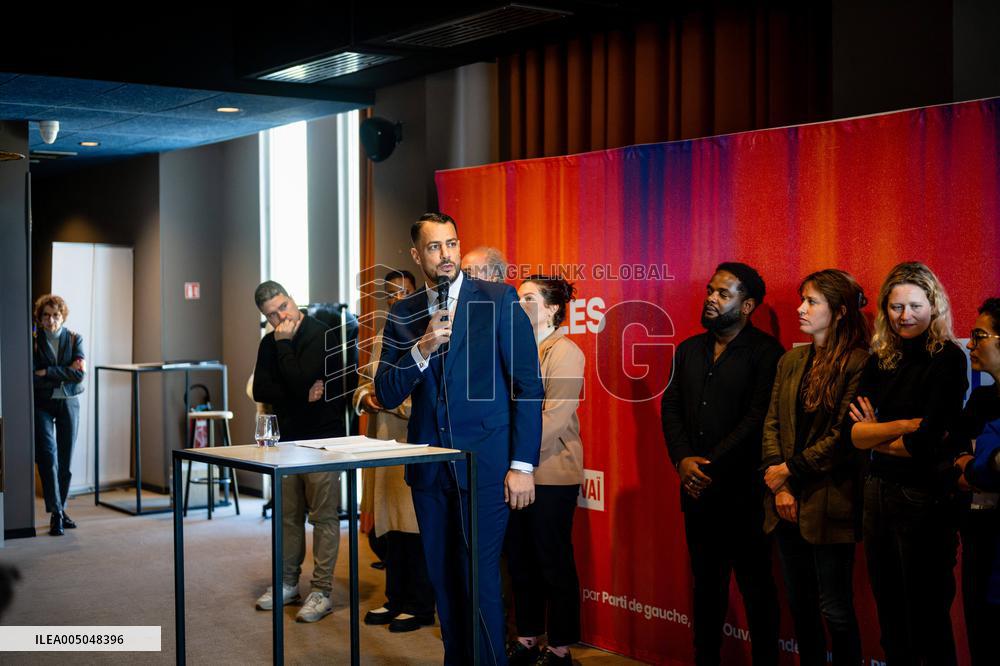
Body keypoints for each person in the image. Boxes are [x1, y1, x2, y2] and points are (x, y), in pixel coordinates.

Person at [375, 212, 544, 665]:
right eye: (434, 247)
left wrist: (522, 465)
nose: (446, 254)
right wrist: (422, 348)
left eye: (451, 244)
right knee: (445, 582)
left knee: (480, 578)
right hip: (430, 473)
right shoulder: (403, 314)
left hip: (487, 467)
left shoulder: (498, 298)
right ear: (417, 254)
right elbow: (386, 391)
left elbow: (528, 386)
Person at [661, 262, 783, 666]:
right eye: (710, 291)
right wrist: (682, 461)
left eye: (723, 294)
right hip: (697, 494)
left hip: (746, 496)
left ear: (746, 305)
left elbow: (758, 418)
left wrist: (706, 465)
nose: (711, 299)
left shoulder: (767, 354)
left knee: (757, 591)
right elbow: (672, 408)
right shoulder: (689, 350)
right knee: (707, 590)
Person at [848, 261, 967, 665]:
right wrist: (901, 428)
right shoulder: (880, 357)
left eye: (915, 305)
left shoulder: (948, 358)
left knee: (926, 617)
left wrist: (878, 432)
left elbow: (926, 443)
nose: (905, 316)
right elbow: (854, 434)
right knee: (890, 613)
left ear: (934, 306)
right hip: (876, 492)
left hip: (923, 498)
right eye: (896, 307)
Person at [760, 270, 869, 666]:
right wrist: (781, 486)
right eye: (801, 299)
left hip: (830, 502)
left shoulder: (859, 363)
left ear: (839, 312)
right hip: (785, 502)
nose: (801, 308)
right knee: (800, 607)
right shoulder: (791, 360)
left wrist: (790, 471)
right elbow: (772, 424)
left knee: (835, 610)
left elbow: (844, 438)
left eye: (812, 302)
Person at [251, 280, 344, 623]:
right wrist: (300, 391)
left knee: (323, 518)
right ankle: (288, 583)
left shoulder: (322, 333)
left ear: (292, 299)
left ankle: (322, 591)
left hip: (322, 439)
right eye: (272, 315)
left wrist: (286, 349)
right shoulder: (269, 342)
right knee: (288, 517)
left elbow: (304, 378)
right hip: (286, 441)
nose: (281, 318)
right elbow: (263, 389)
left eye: (283, 307)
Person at [505, 276, 586, 666]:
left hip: (551, 471)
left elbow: (554, 418)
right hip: (515, 470)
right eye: (518, 297)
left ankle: (560, 648)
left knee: (552, 560)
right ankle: (527, 638)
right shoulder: (515, 348)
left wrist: (516, 456)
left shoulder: (565, 351)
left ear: (553, 308)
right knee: (520, 559)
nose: (519, 303)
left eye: (529, 298)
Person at [356, 269, 436, 633]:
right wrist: (365, 398)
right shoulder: (382, 335)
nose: (396, 299)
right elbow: (363, 384)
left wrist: (388, 401)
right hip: (381, 443)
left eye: (403, 292)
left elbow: (422, 395)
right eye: (390, 294)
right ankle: (395, 598)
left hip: (410, 441)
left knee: (413, 528)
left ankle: (420, 605)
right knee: (390, 530)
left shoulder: (426, 334)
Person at [950, 298, 1000, 665]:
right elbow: (951, 458)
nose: (969, 344)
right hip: (977, 537)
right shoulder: (982, 398)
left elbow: (983, 468)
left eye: (979, 335)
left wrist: (977, 466)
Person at [32, 294, 85, 537]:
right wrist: (63, 371)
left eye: (55, 315)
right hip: (42, 404)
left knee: (65, 460)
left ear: (62, 316)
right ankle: (56, 512)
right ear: (40, 318)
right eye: (46, 315)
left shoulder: (75, 339)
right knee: (47, 456)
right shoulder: (33, 341)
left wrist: (49, 371)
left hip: (69, 403)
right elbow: (32, 375)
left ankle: (60, 512)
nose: (51, 320)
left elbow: (79, 375)